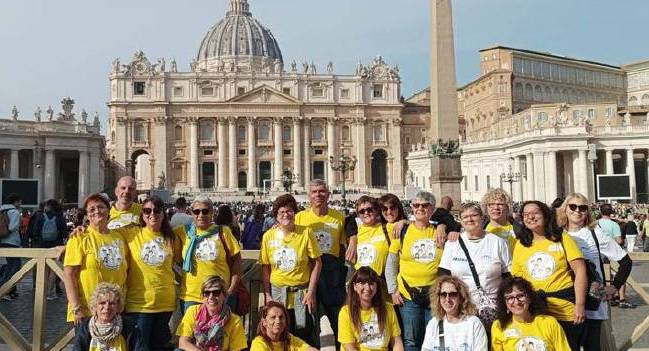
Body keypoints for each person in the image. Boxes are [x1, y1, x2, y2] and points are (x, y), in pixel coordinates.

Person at [556, 193, 633, 350]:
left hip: (592, 304)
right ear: (565, 209)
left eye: (582, 208)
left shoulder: (595, 234)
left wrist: (614, 287)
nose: (577, 211)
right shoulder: (556, 234)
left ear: (587, 212)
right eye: (573, 206)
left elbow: (625, 261)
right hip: (564, 304)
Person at [512, 201, 587, 351]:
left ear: (545, 216)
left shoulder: (561, 238)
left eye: (535, 213)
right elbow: (518, 280)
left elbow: (580, 270)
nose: (530, 217)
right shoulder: (521, 244)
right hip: (536, 310)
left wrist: (580, 305)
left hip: (564, 309)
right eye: (526, 214)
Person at [438, 202, 511, 336]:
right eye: (465, 217)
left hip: (491, 308)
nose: (469, 219)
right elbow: (443, 276)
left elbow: (508, 276)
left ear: (482, 218)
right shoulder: (452, 244)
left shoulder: (498, 242)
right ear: (460, 221)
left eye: (474, 215)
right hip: (462, 307)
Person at [120, 195, 182, 350]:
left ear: (163, 213)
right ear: (142, 215)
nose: (152, 214)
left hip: (164, 303)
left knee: (159, 347)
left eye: (157, 210)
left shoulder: (172, 238)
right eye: (147, 210)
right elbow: (104, 233)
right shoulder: (131, 234)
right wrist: (80, 234)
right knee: (139, 347)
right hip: (138, 304)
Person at [260, 194, 322, 346]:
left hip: (302, 293)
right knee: (279, 335)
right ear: (276, 216)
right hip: (277, 294)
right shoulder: (268, 236)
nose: (286, 215)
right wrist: (268, 294)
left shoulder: (306, 233)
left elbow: (317, 263)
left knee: (304, 334)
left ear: (294, 213)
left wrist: (311, 291)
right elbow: (266, 267)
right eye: (281, 212)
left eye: (289, 211)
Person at [384, 191, 443, 351]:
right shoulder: (402, 231)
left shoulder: (440, 231)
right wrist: (393, 290)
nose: (420, 208)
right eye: (416, 205)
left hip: (435, 295)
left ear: (432, 208)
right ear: (411, 208)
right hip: (408, 295)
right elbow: (391, 263)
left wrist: (445, 226)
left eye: (424, 205)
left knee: (435, 338)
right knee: (411, 340)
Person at [295, 179, 347, 346]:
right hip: (308, 275)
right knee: (308, 326)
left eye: (322, 191)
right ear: (308, 196)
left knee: (338, 322)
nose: (318, 195)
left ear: (329, 195)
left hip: (332, 277)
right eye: (315, 192)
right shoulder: (299, 218)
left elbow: (343, 246)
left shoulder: (339, 217)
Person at [64, 193, 128, 325]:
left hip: (114, 309)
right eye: (92, 209)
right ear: (87, 215)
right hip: (88, 310)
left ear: (109, 210)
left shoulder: (119, 237)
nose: (97, 211)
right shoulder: (79, 237)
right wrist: (76, 308)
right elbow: (69, 275)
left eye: (101, 207)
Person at [177, 195, 242, 314]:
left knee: (221, 332)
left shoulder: (223, 232)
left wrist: (231, 289)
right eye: (196, 211)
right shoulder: (182, 232)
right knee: (192, 332)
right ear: (191, 213)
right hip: (191, 296)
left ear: (212, 212)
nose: (201, 215)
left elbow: (237, 260)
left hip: (219, 295)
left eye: (205, 211)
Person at [491, 277, 571, 351]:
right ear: (504, 303)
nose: (516, 301)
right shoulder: (498, 326)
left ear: (529, 298)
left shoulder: (549, 323)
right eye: (510, 298)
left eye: (521, 295)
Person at [337, 266, 403, 351]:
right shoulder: (346, 312)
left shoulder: (388, 308)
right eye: (362, 283)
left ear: (377, 287)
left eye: (371, 283)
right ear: (355, 286)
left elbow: (397, 342)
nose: (367, 287)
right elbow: (349, 347)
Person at [176, 275, 247, 351]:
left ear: (224, 296)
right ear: (202, 297)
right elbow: (183, 342)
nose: (211, 297)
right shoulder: (193, 311)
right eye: (206, 293)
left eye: (216, 292)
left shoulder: (235, 320)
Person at [73, 282, 145, 351]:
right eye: (102, 303)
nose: (107, 307)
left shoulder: (129, 326)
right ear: (95, 306)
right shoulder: (85, 327)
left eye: (112, 303)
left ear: (118, 306)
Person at [421, 276, 487, 351]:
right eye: (443, 294)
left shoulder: (474, 324)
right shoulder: (433, 324)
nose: (447, 299)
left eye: (452, 294)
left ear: (461, 298)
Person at [32, 199, 68, 300]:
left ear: (48, 206)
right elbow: (64, 233)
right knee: (54, 270)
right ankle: (50, 292)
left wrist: (37, 241)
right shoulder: (60, 217)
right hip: (56, 246)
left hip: (42, 245)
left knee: (44, 269)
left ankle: (41, 291)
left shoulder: (40, 217)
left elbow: (35, 232)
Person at [251, 301, 318, 351]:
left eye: (281, 317)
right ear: (264, 322)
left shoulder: (289, 338)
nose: (278, 321)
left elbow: (308, 349)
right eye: (273, 317)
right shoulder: (258, 343)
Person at [353, 196, 391, 279]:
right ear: (358, 215)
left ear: (377, 210)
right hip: (361, 281)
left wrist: (403, 222)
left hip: (381, 281)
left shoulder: (388, 228)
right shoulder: (355, 231)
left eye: (369, 209)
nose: (366, 213)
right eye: (362, 211)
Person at [481, 188, 520, 252]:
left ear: (508, 207)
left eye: (500, 204)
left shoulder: (518, 230)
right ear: (486, 208)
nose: (496, 208)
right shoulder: (481, 229)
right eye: (491, 204)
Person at [0, 193, 22, 300]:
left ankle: (9, 290)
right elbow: (13, 227)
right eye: (20, 201)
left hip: (1, 242)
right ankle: (4, 290)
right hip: (12, 242)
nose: (21, 203)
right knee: (15, 267)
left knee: (4, 267)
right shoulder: (15, 212)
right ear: (15, 202)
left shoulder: (1, 210)